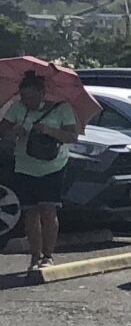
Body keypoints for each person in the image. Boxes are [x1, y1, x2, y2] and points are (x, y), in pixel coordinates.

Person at [3, 70, 81, 280]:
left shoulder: (61, 108)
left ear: (41, 93)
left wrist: (48, 130)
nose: (27, 101)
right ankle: (34, 255)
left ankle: (48, 255)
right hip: (25, 165)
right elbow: (4, 131)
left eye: (31, 97)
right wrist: (14, 132)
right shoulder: (17, 109)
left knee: (49, 209)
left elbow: (72, 136)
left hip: (53, 165)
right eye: (24, 97)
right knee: (30, 212)